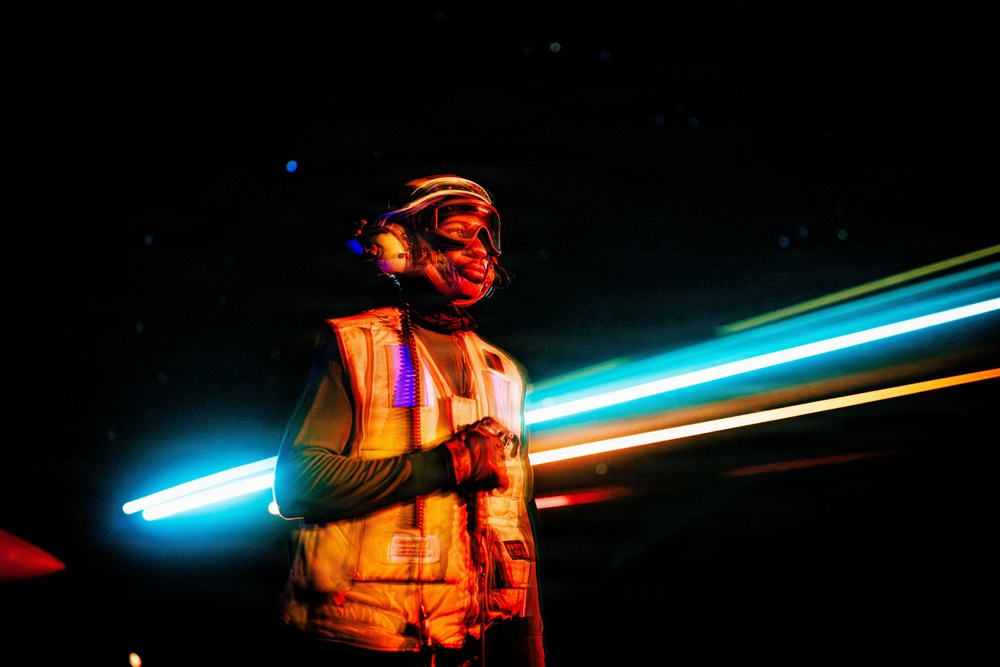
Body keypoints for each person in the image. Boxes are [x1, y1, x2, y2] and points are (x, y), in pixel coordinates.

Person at [271, 175, 546, 667]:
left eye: (488, 237)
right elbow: (298, 485)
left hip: (468, 650)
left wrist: (529, 647)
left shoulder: (503, 373)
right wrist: (445, 466)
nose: (480, 249)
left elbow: (517, 523)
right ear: (398, 246)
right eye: (460, 231)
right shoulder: (355, 347)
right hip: (356, 644)